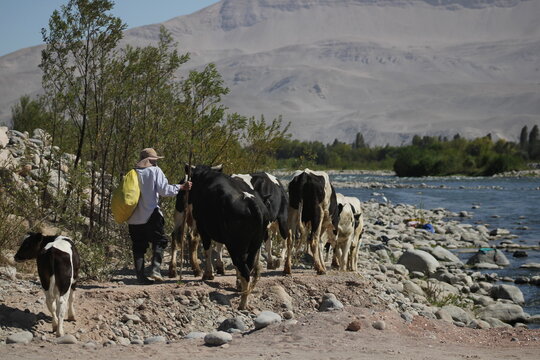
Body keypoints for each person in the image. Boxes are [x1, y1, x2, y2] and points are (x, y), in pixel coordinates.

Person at [127, 148, 191, 284]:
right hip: (151, 214)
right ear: (151, 160)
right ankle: (155, 269)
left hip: (133, 217)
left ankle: (141, 278)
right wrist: (181, 187)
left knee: (138, 247)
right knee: (160, 241)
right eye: (155, 160)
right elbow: (164, 190)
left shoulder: (132, 173)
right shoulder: (155, 171)